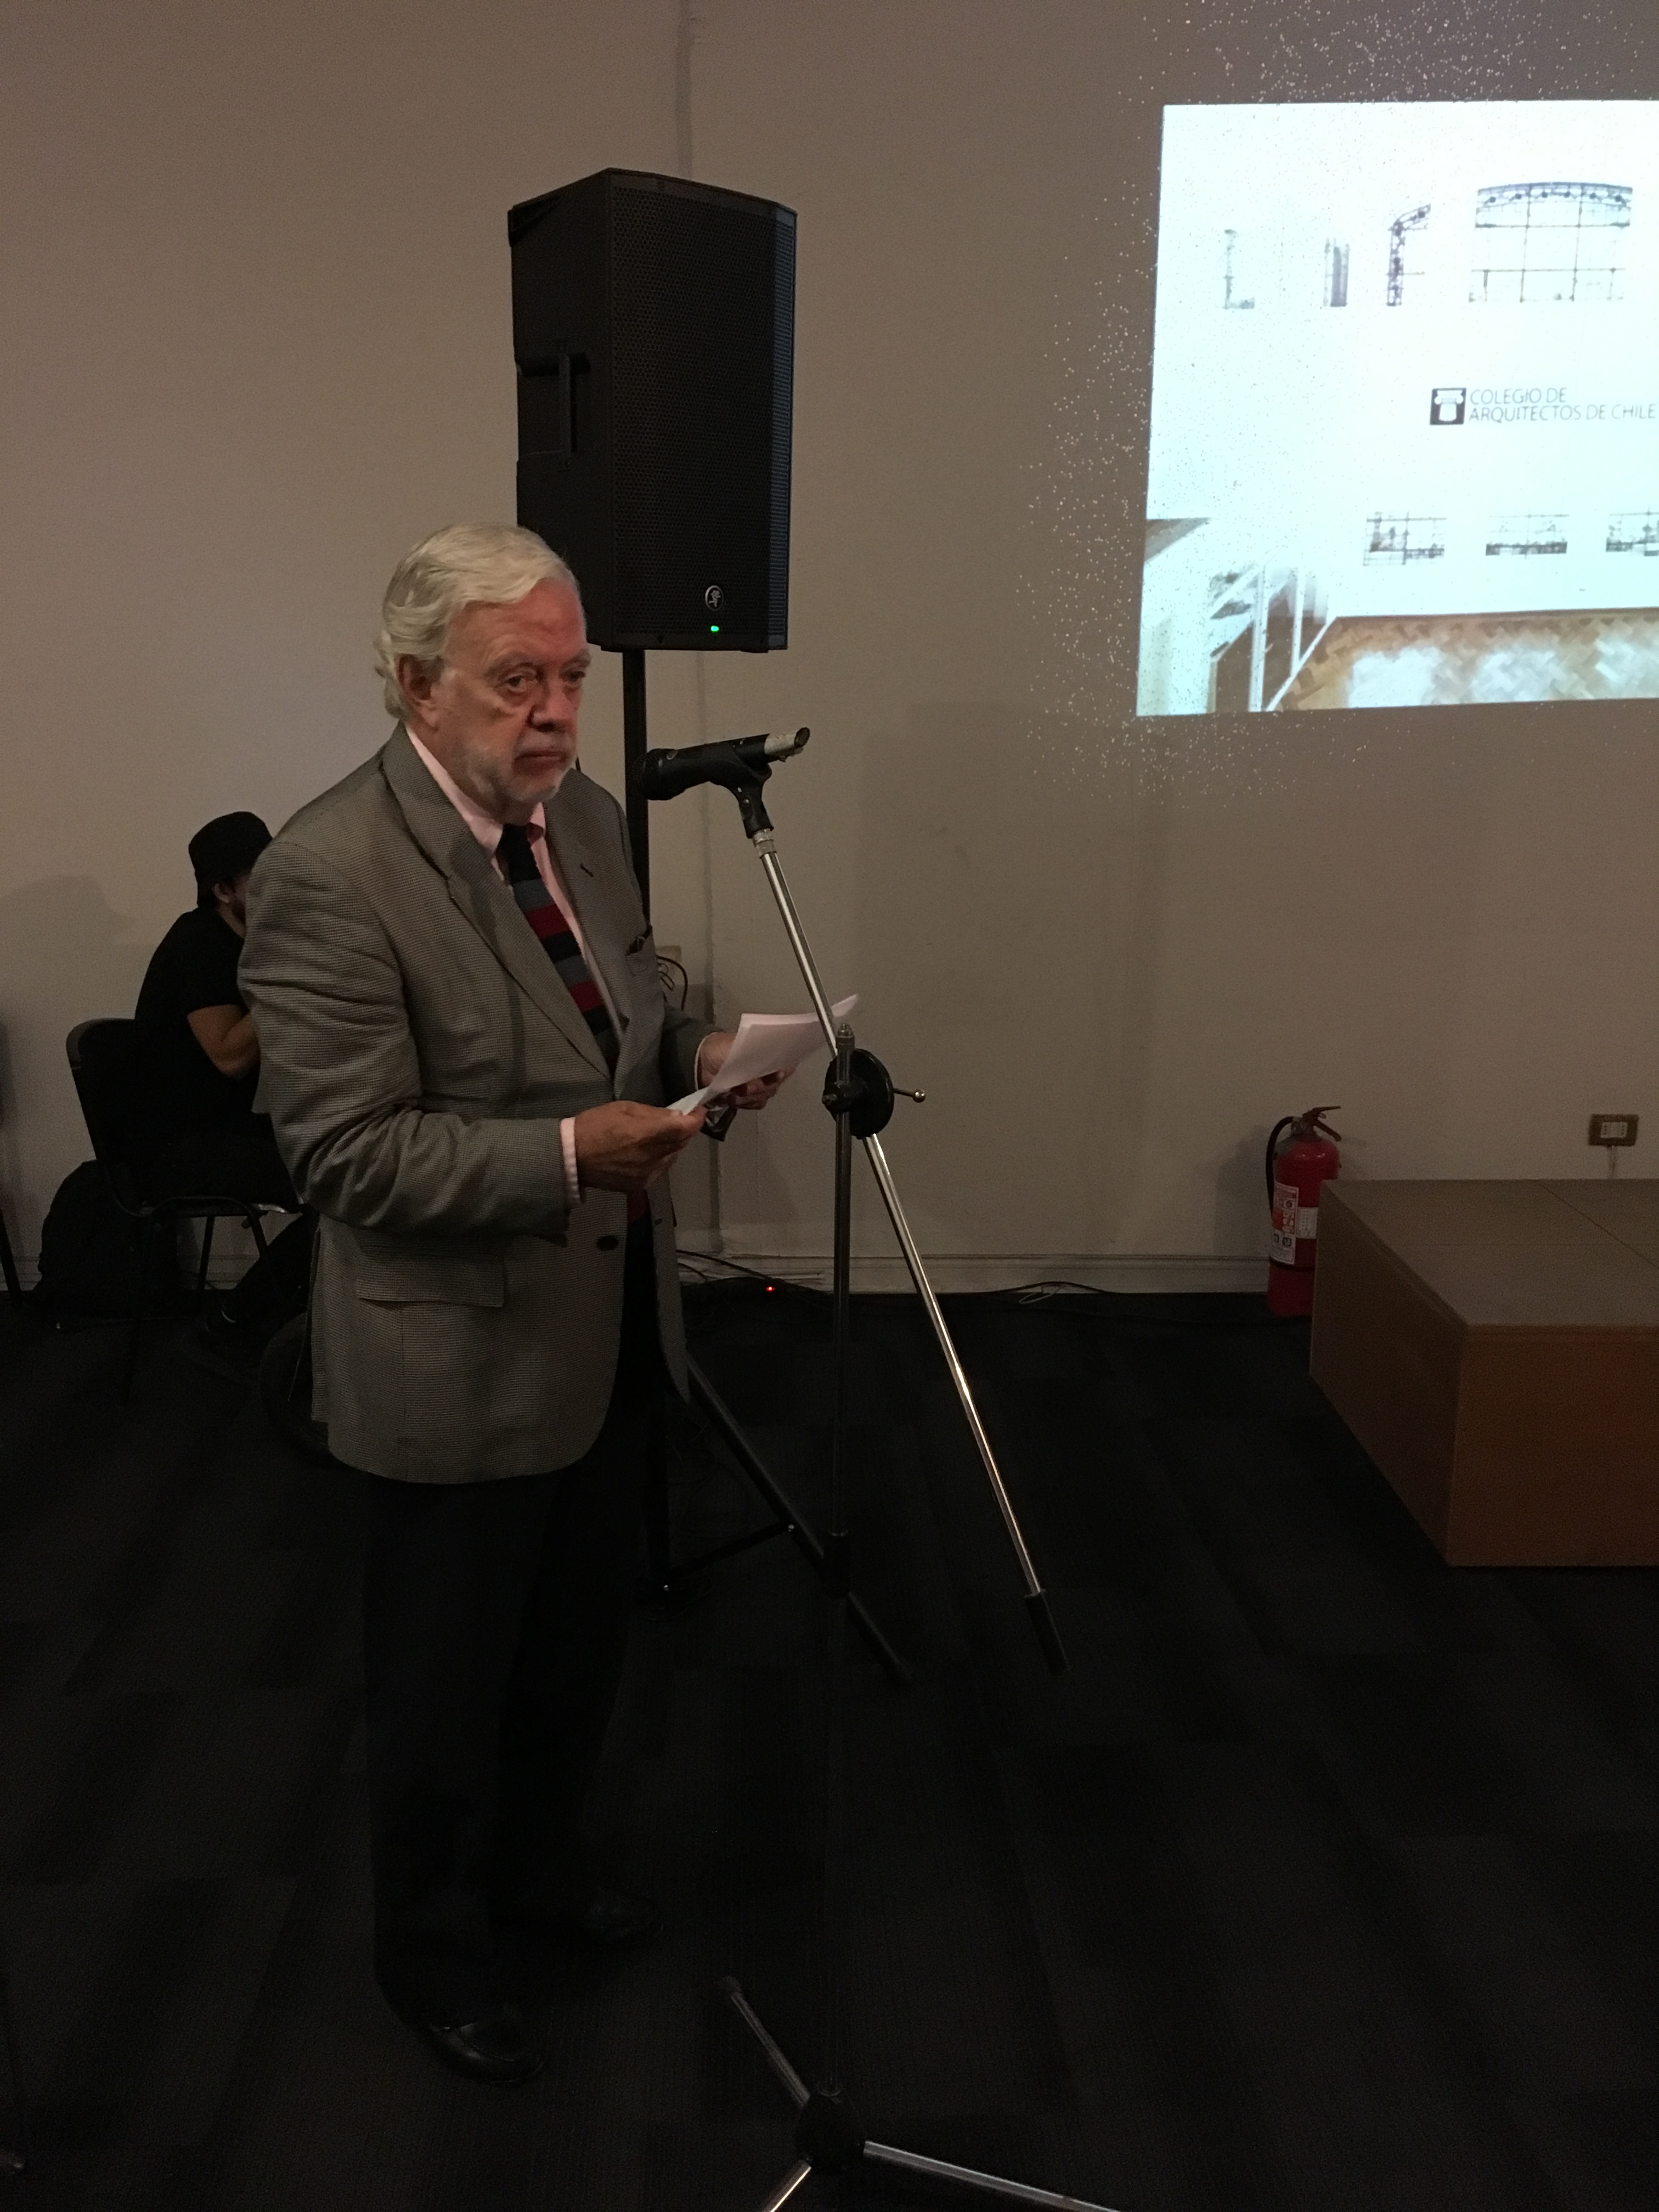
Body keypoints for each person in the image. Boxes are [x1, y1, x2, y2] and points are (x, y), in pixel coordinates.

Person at [238, 523, 786, 2086]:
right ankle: (432, 1959)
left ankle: (541, 1876)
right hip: (453, 1361)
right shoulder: (329, 872)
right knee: (442, 1692)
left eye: (569, 675)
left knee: (572, 1655)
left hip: (605, 1335)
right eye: (515, 680)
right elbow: (342, 1155)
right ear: (417, 684)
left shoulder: (585, 816)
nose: (553, 711)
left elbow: (631, 999)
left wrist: (698, 1059)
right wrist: (565, 1157)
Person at [132, 811, 315, 1365]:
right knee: (343, 1186)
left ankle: (293, 1326)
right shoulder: (199, 944)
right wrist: (283, 976)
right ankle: (235, 1321)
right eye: (264, 877)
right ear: (224, 891)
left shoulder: (248, 944)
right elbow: (230, 1056)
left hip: (225, 1128)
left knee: (356, 1158)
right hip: (178, 1146)